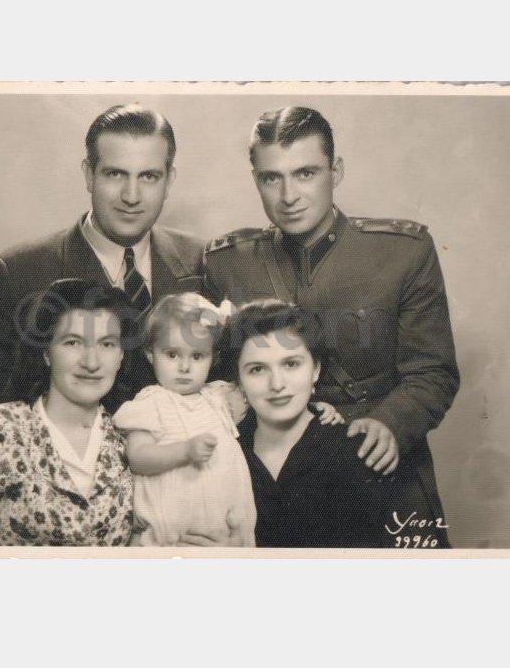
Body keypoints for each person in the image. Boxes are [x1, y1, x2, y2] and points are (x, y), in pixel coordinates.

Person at [203, 106, 459, 546]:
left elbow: (433, 372)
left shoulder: (402, 253)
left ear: (335, 171)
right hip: (269, 479)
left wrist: (390, 424)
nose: (289, 195)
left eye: (305, 173)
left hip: (376, 465)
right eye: (272, 178)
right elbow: (218, 375)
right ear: (256, 179)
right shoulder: (227, 263)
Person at [0, 104, 205, 447]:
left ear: (169, 180)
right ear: (89, 175)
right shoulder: (20, 271)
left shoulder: (202, 261)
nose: (131, 196)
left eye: (149, 177)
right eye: (115, 174)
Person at [0, 279, 138, 546]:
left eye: (107, 344)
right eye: (72, 342)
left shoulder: (131, 442)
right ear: (46, 353)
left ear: (121, 355)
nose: (91, 362)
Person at [222, 300, 416, 548]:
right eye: (257, 369)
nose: (277, 384)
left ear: (315, 369)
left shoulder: (355, 453)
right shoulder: (224, 451)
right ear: (239, 380)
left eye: (291, 364)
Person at [112, 293, 257, 546]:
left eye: (197, 356)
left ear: (212, 358)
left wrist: (319, 405)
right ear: (151, 354)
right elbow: (138, 458)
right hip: (171, 539)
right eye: (172, 354)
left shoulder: (220, 397)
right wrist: (185, 451)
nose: (184, 367)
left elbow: (265, 394)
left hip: (228, 535)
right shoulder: (150, 402)